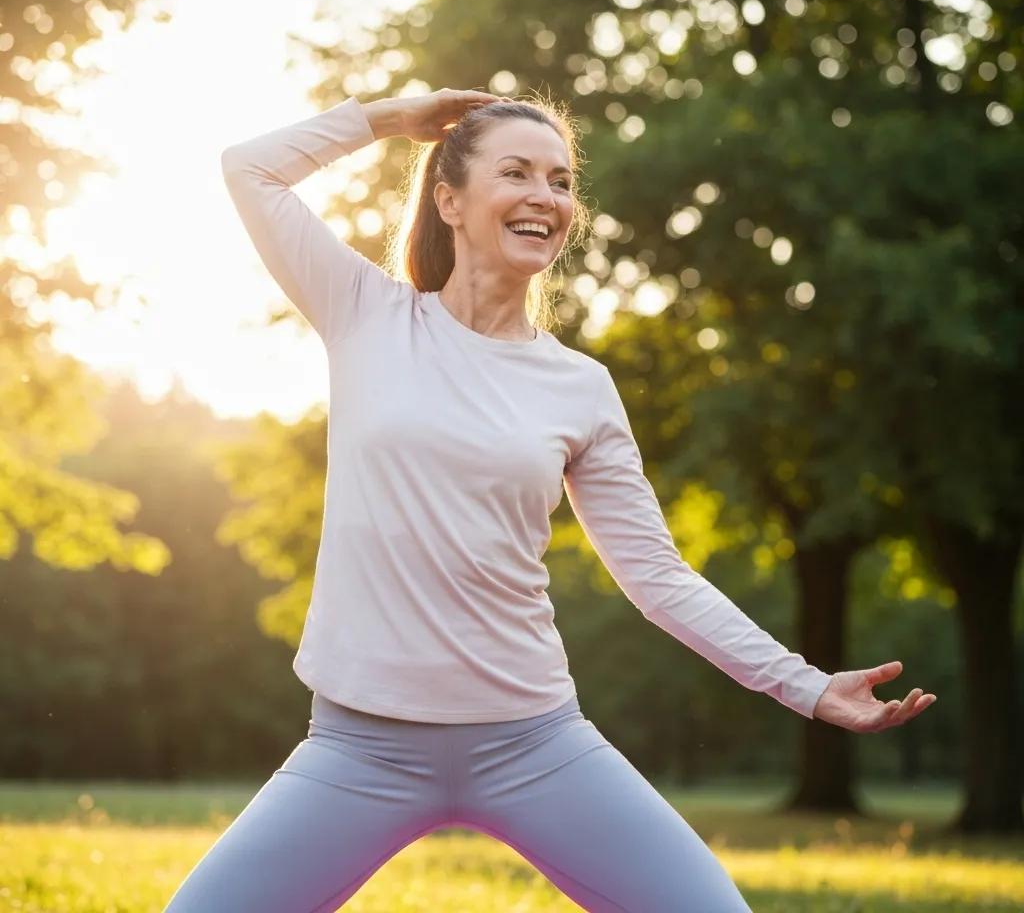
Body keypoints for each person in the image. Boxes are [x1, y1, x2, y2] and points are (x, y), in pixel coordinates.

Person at [164, 88, 936, 912]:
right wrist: (390, 118)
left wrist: (808, 687)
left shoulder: (580, 387)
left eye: (562, 181)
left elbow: (658, 578)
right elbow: (249, 170)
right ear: (449, 201)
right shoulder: (365, 314)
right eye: (518, 173)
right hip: (361, 749)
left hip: (533, 743)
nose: (546, 195)